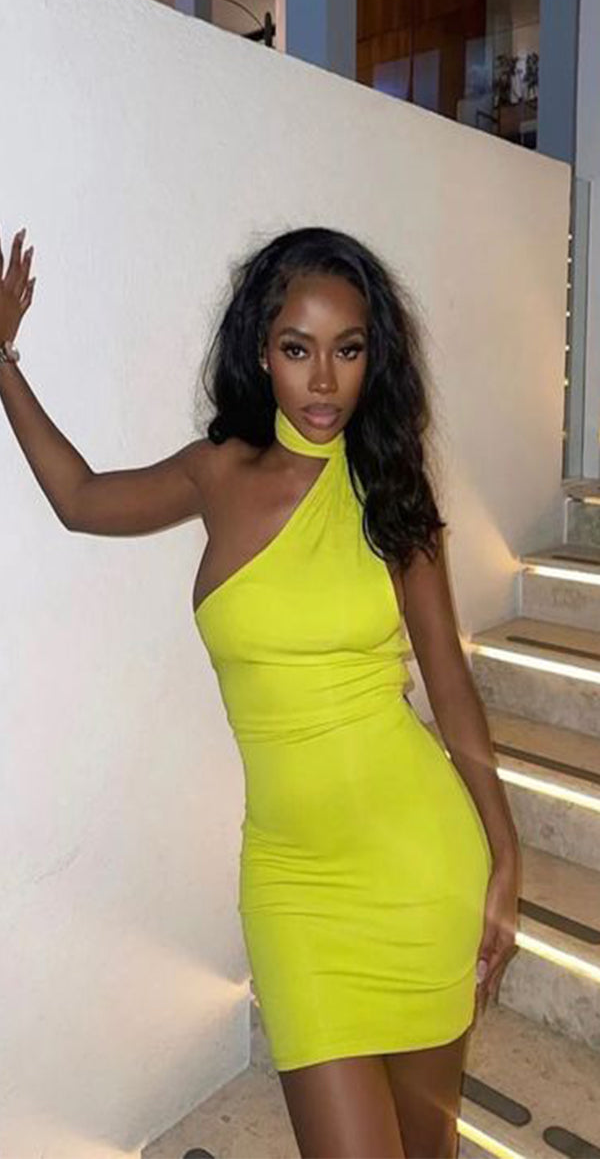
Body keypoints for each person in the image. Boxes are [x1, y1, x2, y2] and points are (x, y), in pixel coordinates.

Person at [0, 223, 520, 1159]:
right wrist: (2, 361)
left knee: (427, 1149)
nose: (323, 382)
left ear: (374, 359)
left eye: (347, 350)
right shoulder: (217, 475)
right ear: (260, 352)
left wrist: (506, 854)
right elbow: (79, 499)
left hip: (420, 864)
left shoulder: (391, 492)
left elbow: (449, 686)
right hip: (293, 884)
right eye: (297, 349)